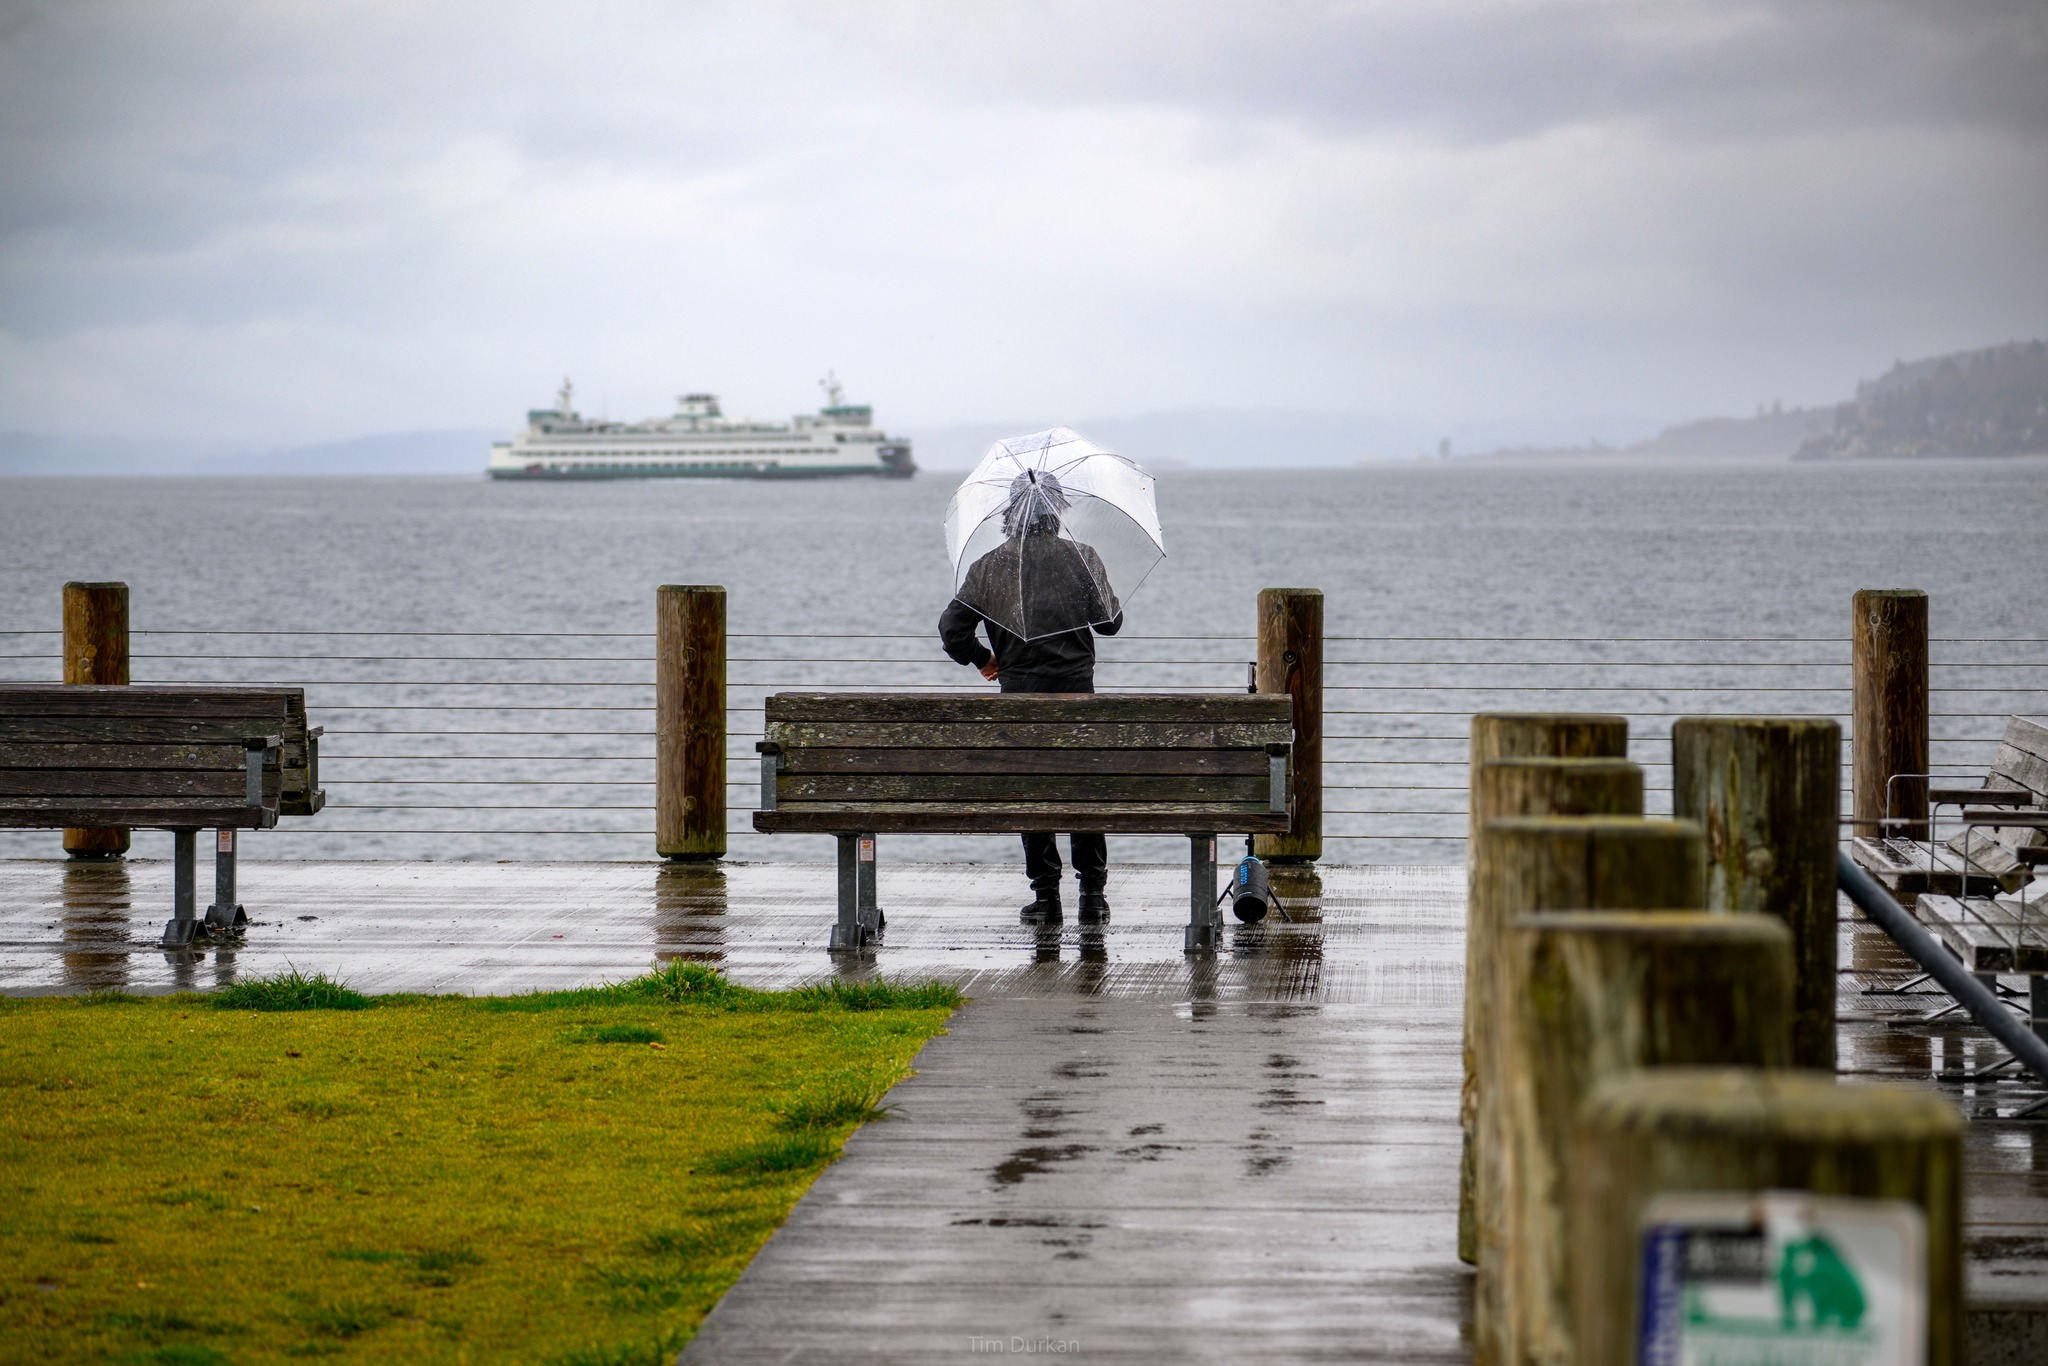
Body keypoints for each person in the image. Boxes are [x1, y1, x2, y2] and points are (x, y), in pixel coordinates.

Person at [939, 471, 1122, 925]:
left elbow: (952, 631)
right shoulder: (1082, 557)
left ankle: (1046, 897)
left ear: (1010, 514)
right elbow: (1110, 624)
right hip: (1077, 697)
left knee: (1033, 789)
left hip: (1020, 698)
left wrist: (984, 658)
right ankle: (1092, 896)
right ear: (1057, 510)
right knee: (1082, 790)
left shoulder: (990, 566)